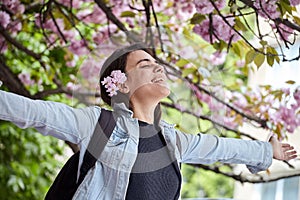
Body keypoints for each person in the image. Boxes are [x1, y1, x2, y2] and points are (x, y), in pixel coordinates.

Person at [0, 43, 297, 200]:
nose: (158, 69)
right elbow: (33, 113)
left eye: (158, 65)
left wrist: (266, 151)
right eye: (145, 65)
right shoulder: (97, 124)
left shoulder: (172, 140)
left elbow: (218, 147)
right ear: (123, 84)